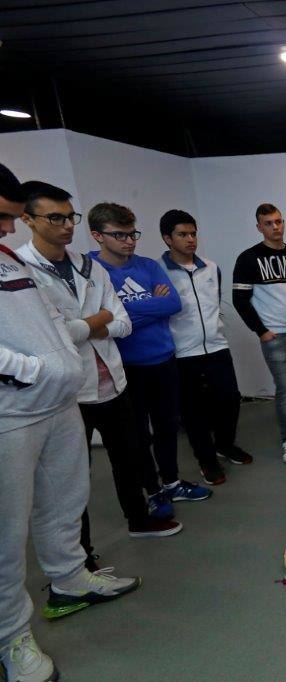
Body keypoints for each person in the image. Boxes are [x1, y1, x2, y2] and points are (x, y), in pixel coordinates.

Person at [0, 164, 139, 682]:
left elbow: (59, 324)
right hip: (11, 409)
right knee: (6, 532)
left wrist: (57, 361)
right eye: (3, 217)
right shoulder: (23, 255)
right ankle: (11, 636)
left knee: (66, 499)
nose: (9, 228)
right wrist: (31, 370)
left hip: (59, 400)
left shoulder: (10, 258)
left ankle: (70, 579)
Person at [16, 182, 182, 547]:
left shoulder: (89, 267)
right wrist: (96, 320)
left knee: (128, 458)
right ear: (27, 219)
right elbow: (51, 336)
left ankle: (139, 519)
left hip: (113, 381)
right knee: (72, 478)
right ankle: (82, 553)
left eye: (69, 217)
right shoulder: (20, 269)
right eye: (55, 217)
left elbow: (121, 323)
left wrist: (87, 324)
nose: (65, 225)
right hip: (69, 390)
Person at [89, 202, 212, 519]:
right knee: (138, 436)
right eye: (120, 235)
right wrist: (146, 307)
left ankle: (171, 482)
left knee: (167, 427)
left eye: (132, 234)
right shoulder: (91, 271)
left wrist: (125, 315)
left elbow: (173, 304)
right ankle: (153, 491)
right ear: (97, 235)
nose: (129, 241)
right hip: (127, 367)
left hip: (163, 360)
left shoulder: (148, 266)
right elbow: (103, 320)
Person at [159, 209, 253, 483]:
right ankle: (206, 459)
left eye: (193, 233)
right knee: (193, 410)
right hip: (183, 352)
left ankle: (225, 444)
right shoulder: (159, 271)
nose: (190, 239)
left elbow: (214, 305)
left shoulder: (211, 268)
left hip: (216, 346)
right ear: (168, 238)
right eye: (182, 234)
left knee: (230, 399)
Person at [232, 203, 286, 464]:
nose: (275, 227)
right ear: (259, 227)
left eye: (279, 221)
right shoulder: (248, 259)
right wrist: (261, 331)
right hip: (276, 337)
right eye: (269, 223)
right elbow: (240, 300)